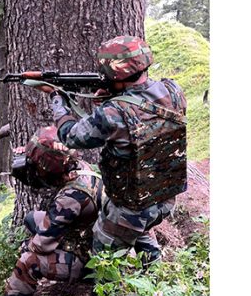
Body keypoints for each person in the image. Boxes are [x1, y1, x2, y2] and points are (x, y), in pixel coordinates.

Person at [33, 35, 188, 264]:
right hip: (165, 197)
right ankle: (155, 277)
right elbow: (144, 109)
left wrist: (58, 99)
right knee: (140, 232)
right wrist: (115, 98)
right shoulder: (173, 90)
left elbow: (70, 136)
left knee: (105, 261)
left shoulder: (112, 112)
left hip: (130, 209)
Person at [0, 126, 105, 296]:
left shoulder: (70, 197)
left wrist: (27, 247)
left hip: (88, 258)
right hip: (89, 233)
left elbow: (42, 244)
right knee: (32, 218)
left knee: (27, 261)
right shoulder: (80, 166)